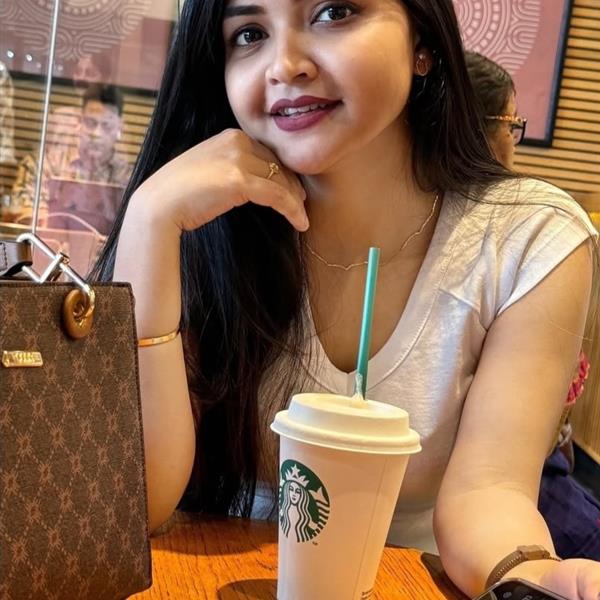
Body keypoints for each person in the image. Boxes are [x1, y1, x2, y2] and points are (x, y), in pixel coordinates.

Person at [95, 1, 600, 598]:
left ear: (423, 43)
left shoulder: (529, 238)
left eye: (334, 12)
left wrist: (526, 573)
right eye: (250, 34)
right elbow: (137, 503)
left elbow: (489, 491)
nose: (284, 65)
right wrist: (149, 223)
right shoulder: (200, 223)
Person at [466, 50, 600, 561]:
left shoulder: (542, 228)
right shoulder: (529, 232)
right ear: (482, 127)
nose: (513, 139)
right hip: (524, 475)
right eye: (511, 125)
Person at [10, 83, 131, 233]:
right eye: (91, 123)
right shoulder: (44, 164)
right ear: (79, 122)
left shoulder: (128, 178)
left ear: (119, 128)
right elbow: (23, 217)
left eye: (107, 125)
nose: (97, 134)